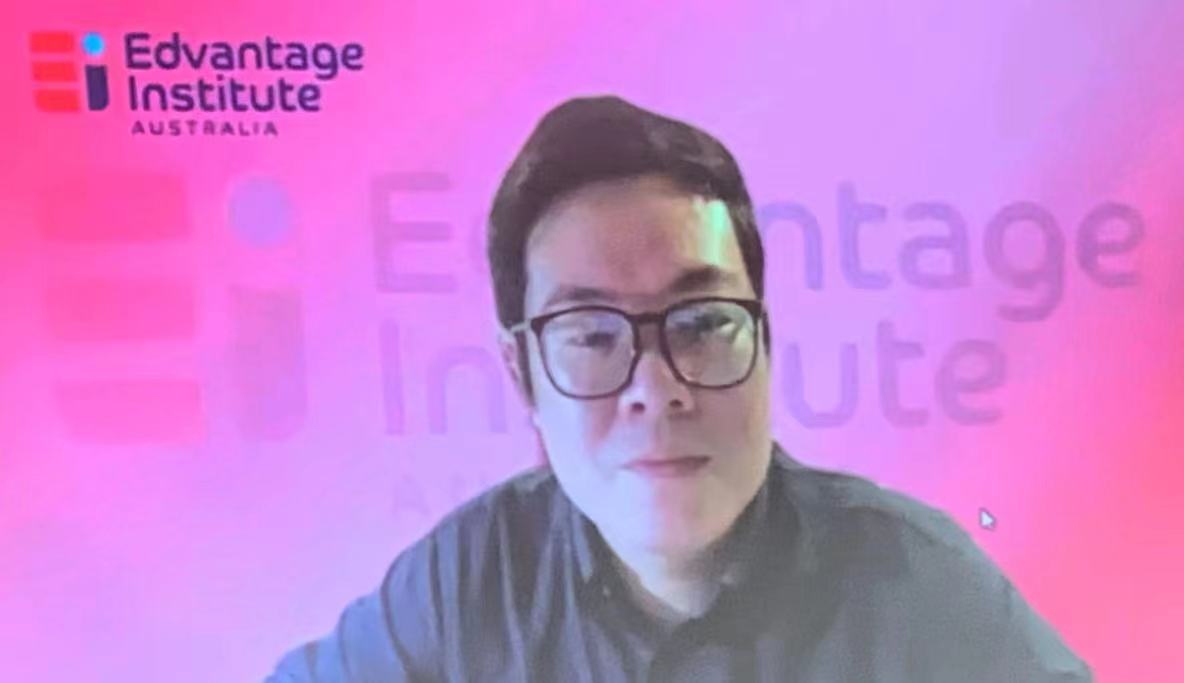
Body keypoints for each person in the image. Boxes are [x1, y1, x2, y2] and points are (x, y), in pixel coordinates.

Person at [267, 95, 1092, 682]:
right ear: (523, 375)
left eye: (700, 322)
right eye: (593, 336)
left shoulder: (918, 588)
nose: (656, 388)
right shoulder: (470, 585)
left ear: (764, 339)